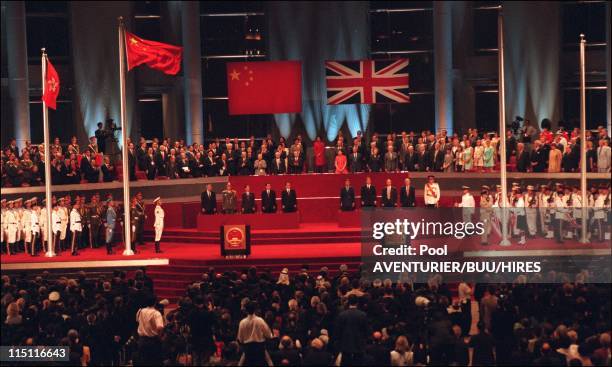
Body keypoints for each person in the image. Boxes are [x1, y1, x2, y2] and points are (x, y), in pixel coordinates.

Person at [335, 294, 370, 366]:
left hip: (345, 344)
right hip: (359, 344)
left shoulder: (342, 315)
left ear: (348, 302)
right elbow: (366, 331)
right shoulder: (363, 315)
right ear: (357, 302)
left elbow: (338, 332)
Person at [237, 301, 274, 366]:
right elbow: (268, 335)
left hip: (248, 349)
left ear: (246, 310)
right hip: (260, 348)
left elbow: (240, 339)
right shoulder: (260, 320)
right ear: (255, 310)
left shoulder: (242, 322)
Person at [135, 293, 164, 366]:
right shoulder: (156, 313)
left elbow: (137, 321)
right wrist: (159, 337)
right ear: (155, 302)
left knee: (142, 362)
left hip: (141, 341)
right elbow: (160, 327)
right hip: (152, 342)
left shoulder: (140, 311)